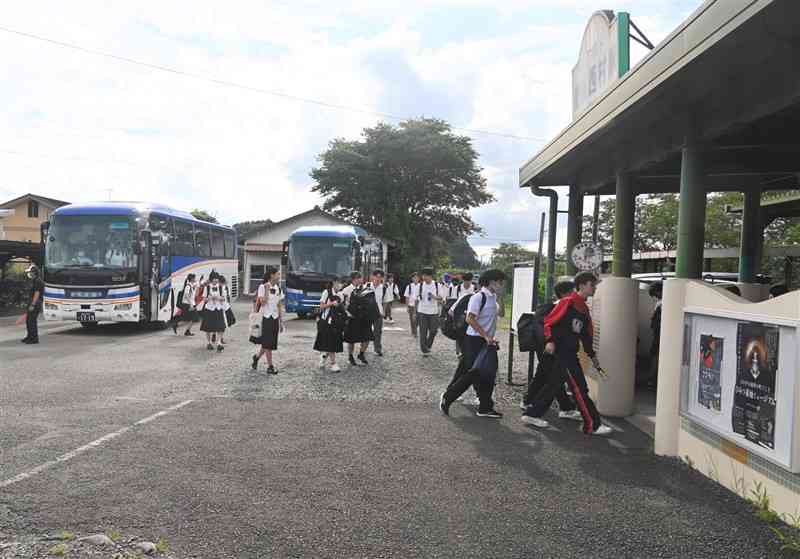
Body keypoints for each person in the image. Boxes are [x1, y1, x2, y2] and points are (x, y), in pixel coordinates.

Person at [535, 272, 612, 436]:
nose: (595, 289)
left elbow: (585, 335)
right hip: (563, 354)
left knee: (553, 386)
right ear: (582, 285)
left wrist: (592, 355)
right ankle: (592, 425)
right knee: (579, 389)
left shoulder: (583, 307)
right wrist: (550, 341)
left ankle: (531, 413)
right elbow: (548, 322)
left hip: (570, 353)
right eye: (592, 285)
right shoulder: (568, 302)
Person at [439, 269, 506, 418]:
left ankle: (485, 407)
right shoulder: (478, 297)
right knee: (474, 373)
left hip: (486, 341)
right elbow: (470, 319)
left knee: (485, 373)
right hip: (474, 340)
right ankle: (448, 397)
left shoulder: (493, 297)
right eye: (500, 282)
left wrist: (500, 297)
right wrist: (486, 336)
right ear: (491, 282)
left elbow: (501, 314)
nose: (502, 285)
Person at [520, 280, 580, 420]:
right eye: (573, 291)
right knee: (555, 378)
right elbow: (543, 329)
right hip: (548, 349)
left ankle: (528, 401)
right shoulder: (550, 308)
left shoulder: (563, 308)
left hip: (550, 349)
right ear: (565, 293)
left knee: (543, 375)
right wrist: (550, 342)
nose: (575, 294)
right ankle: (564, 408)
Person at [251, 267, 284, 374]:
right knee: (268, 343)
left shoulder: (278, 288)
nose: (279, 276)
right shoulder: (262, 286)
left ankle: (256, 357)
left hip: (274, 318)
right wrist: (266, 290)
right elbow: (263, 302)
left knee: (268, 343)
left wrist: (281, 321)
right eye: (278, 274)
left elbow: (279, 305)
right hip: (265, 318)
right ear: (272, 275)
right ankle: (270, 366)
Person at [340, 271, 374, 366]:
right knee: (351, 340)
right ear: (355, 279)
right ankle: (350, 356)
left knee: (367, 337)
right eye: (360, 278)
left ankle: (361, 354)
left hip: (363, 317)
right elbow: (341, 304)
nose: (362, 280)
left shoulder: (364, 289)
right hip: (352, 317)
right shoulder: (346, 290)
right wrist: (346, 313)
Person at [314, 278, 345, 372]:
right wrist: (331, 303)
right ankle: (333, 363)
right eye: (339, 283)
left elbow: (341, 308)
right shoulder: (326, 292)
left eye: (341, 284)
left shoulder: (340, 294)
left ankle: (323, 358)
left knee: (331, 343)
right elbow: (321, 306)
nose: (340, 285)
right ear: (334, 283)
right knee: (330, 342)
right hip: (326, 321)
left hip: (336, 322)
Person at [417, 267, 444, 356]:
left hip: (433, 312)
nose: (424, 277)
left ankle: (427, 345)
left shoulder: (437, 285)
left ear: (431, 276)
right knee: (423, 331)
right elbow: (416, 298)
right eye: (423, 275)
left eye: (426, 276)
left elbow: (442, 298)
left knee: (433, 331)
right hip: (422, 311)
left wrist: (434, 297)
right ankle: (424, 349)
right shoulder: (420, 285)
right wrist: (414, 312)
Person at [450, 272, 477, 357]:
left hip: (470, 313)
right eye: (465, 281)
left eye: (469, 281)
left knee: (468, 332)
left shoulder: (474, 288)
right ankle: (460, 350)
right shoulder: (457, 288)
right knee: (459, 331)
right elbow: (454, 300)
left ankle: (466, 350)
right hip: (459, 314)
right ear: (463, 280)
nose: (467, 283)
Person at [199, 272, 227, 352]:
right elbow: (204, 299)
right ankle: (209, 343)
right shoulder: (207, 287)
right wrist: (210, 298)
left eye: (217, 278)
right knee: (208, 327)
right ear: (211, 279)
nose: (216, 280)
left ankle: (218, 343)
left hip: (218, 308)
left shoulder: (221, 287)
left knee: (221, 327)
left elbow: (224, 298)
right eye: (214, 278)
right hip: (209, 309)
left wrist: (217, 297)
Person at [21, 264, 44, 344]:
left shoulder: (38, 281)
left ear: (34, 272)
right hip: (33, 302)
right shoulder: (35, 280)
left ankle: (34, 339)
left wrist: (32, 305)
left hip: (36, 303)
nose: (29, 274)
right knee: (28, 320)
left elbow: (36, 294)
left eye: (30, 272)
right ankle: (29, 336)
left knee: (32, 321)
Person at [369, 270, 386, 356]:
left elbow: (385, 301)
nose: (378, 279)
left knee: (378, 332)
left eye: (380, 277)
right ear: (373, 277)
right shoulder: (367, 286)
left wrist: (383, 312)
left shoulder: (384, 288)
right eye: (377, 276)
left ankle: (377, 348)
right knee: (366, 331)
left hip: (379, 313)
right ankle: (363, 348)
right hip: (368, 313)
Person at [219, 275, 235, 345]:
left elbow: (227, 298)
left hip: (225, 307)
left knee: (228, 322)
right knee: (224, 324)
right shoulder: (222, 288)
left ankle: (218, 337)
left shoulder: (225, 287)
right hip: (222, 308)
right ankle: (220, 338)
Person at [404, 273, 420, 338]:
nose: (415, 279)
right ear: (412, 279)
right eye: (414, 278)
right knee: (412, 319)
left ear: (419, 278)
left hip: (419, 306)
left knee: (417, 319)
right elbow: (407, 297)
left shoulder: (421, 286)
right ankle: (414, 332)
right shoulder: (409, 286)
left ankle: (415, 330)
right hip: (411, 305)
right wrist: (407, 306)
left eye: (417, 277)